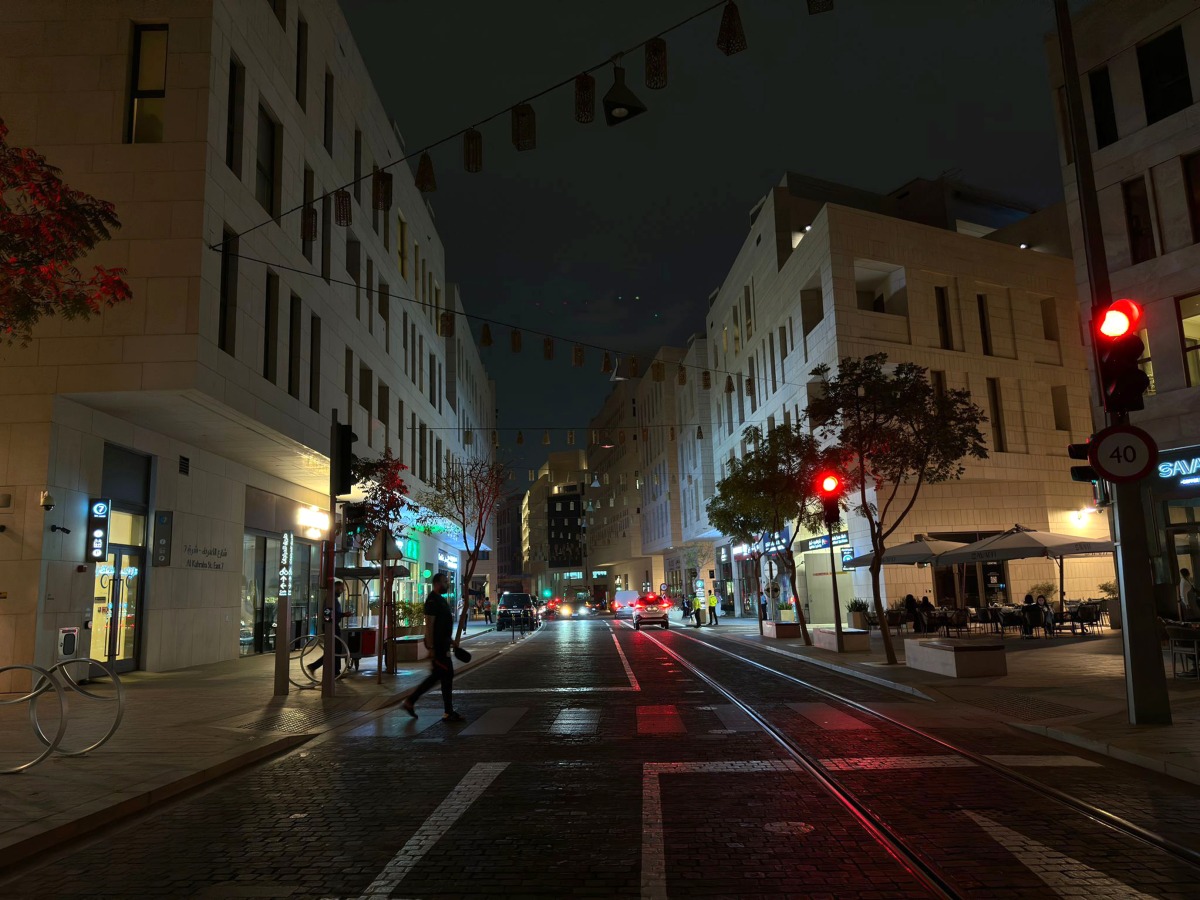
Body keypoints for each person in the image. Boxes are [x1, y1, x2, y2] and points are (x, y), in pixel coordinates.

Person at [401, 572, 463, 722]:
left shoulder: (440, 600)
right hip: (438, 648)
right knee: (443, 675)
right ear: (437, 583)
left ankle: (414, 702)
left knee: (441, 676)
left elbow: (442, 626)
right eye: (445, 582)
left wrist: (451, 641)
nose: (447, 584)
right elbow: (430, 625)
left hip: (443, 645)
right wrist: (431, 648)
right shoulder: (432, 601)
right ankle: (413, 702)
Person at [308, 581, 344, 676]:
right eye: (341, 588)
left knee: (335, 649)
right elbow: (329, 613)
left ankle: (335, 671)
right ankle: (315, 666)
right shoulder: (331, 598)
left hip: (332, 625)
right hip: (331, 626)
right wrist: (343, 615)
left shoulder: (333, 598)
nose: (343, 590)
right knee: (333, 650)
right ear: (336, 588)